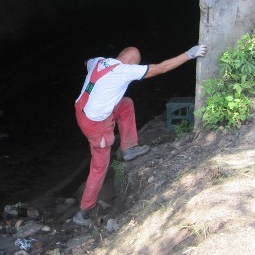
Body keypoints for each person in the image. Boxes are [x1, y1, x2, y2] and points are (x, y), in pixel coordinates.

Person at [72, 44, 208, 226]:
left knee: (125, 104)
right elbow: (160, 68)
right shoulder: (124, 71)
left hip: (83, 110)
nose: (135, 66)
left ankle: (129, 148)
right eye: (135, 63)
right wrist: (189, 54)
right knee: (98, 168)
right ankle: (83, 213)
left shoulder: (99, 62)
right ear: (129, 62)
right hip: (95, 124)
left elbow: (87, 62)